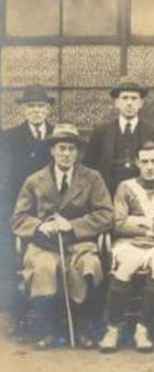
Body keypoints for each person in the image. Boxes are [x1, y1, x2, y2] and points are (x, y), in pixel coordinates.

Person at [12, 124, 113, 349]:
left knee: (89, 265)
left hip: (80, 243)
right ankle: (52, 330)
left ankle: (81, 327)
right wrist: (39, 226)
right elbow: (18, 219)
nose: (66, 154)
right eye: (61, 148)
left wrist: (73, 226)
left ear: (77, 152)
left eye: (71, 149)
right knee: (44, 268)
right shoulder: (34, 180)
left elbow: (106, 215)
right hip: (44, 245)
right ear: (52, 150)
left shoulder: (92, 178)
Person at [98, 140, 154, 353]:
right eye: (145, 161)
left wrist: (137, 222)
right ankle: (113, 328)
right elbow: (118, 224)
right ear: (137, 162)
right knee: (125, 264)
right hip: (130, 243)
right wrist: (150, 228)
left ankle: (143, 328)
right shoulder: (126, 187)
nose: (150, 166)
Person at [0, 85, 55, 332]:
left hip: (50, 208)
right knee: (11, 257)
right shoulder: (9, 137)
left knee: (48, 257)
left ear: (48, 109)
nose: (36, 111)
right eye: (31, 106)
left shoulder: (57, 136)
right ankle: (15, 312)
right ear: (24, 109)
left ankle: (52, 314)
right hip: (17, 206)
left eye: (41, 106)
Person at [84, 77, 154, 196]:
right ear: (117, 103)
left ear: (141, 103)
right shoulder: (101, 131)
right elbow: (89, 167)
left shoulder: (152, 132)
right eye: (125, 98)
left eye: (134, 98)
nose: (129, 103)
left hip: (141, 195)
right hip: (107, 194)